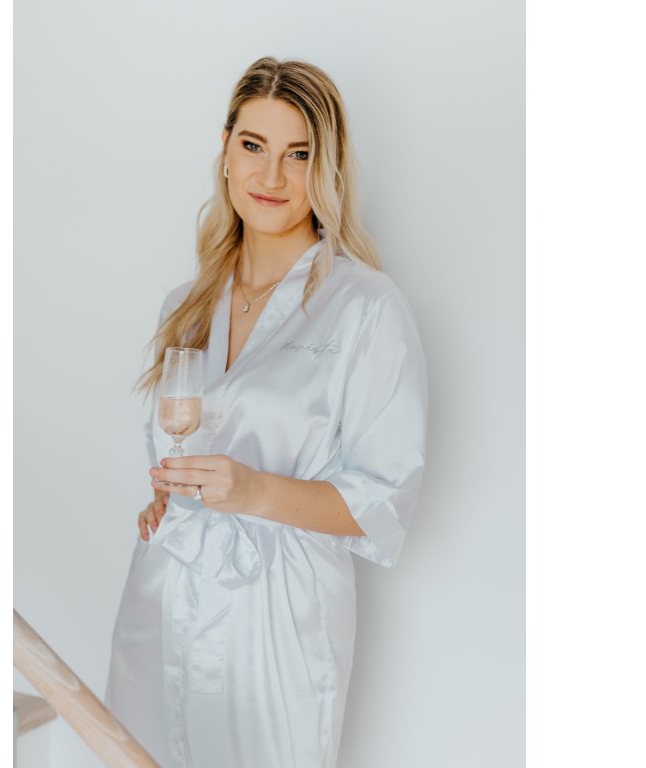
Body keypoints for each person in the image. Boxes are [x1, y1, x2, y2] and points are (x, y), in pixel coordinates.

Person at [105, 56, 428, 768]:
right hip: (163, 597)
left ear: (326, 168)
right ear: (225, 150)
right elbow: (178, 460)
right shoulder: (187, 308)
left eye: (299, 154)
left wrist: (252, 491)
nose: (272, 175)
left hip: (278, 618)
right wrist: (170, 502)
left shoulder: (366, 307)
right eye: (254, 146)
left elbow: (383, 501)